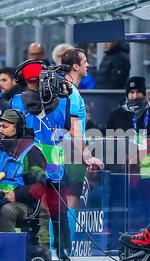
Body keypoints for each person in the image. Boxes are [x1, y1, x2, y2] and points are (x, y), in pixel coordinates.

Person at [11, 59, 72, 261]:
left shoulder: (16, 101)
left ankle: (34, 253)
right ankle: (63, 256)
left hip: (28, 162)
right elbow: (65, 126)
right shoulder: (64, 99)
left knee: (34, 208)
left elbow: (14, 129)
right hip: (54, 162)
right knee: (57, 212)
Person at [61, 48, 104, 244]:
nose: (88, 65)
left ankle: (58, 249)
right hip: (71, 153)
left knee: (60, 202)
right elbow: (74, 129)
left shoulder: (64, 90)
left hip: (60, 151)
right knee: (71, 200)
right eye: (85, 61)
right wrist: (87, 155)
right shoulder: (71, 93)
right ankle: (63, 251)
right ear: (75, 66)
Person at [0, 109, 46, 245]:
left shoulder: (31, 152)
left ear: (19, 128)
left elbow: (40, 187)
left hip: (23, 204)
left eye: (5, 126)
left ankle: (8, 254)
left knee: (7, 211)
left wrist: (17, 194)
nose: (0, 130)